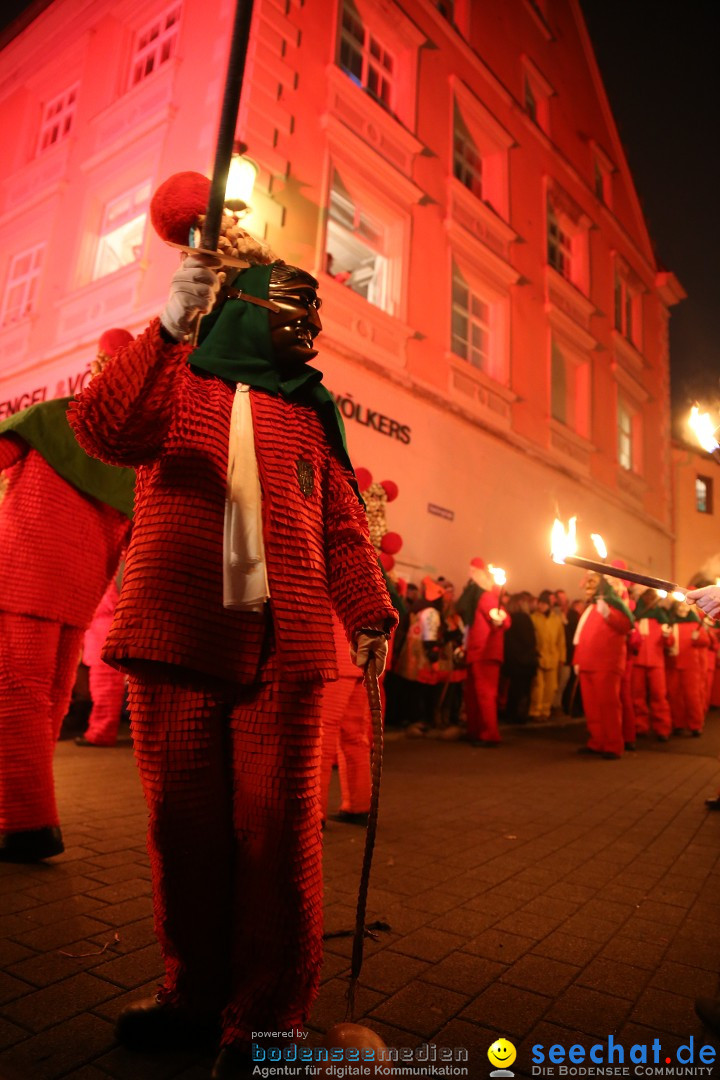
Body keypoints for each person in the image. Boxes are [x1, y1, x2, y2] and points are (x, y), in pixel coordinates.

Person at [70, 209, 396, 1075]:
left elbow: (341, 524)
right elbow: (105, 428)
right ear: (244, 304)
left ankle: (267, 1019)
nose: (311, 327)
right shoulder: (180, 380)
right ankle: (194, 993)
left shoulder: (309, 412)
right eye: (293, 307)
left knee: (279, 833)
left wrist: (367, 612)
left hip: (284, 646)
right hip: (179, 631)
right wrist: (170, 326)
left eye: (315, 314)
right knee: (185, 830)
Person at [0, 329, 134, 861]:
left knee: (16, 694)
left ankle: (28, 823)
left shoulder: (54, 417)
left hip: (23, 574)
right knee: (50, 695)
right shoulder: (129, 454)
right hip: (81, 593)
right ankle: (29, 806)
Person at [573, 572, 633, 759]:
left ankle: (613, 745)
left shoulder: (617, 607)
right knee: (592, 707)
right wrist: (577, 660)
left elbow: (625, 626)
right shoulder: (591, 608)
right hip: (587, 663)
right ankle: (597, 741)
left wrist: (608, 613)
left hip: (607, 664)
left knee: (608, 706)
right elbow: (581, 636)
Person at [318, 614, 371, 826]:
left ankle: (314, 812)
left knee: (322, 733)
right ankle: (358, 806)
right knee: (355, 735)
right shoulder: (372, 579)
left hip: (335, 653)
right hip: (363, 657)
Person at [456, 557, 509, 746]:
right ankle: (476, 730)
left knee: (485, 694)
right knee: (473, 694)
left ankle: (489, 733)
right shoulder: (481, 597)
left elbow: (503, 619)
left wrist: (500, 619)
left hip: (485, 653)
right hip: (477, 651)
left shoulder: (486, 597)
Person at [76, 566, 127, 747]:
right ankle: (100, 730)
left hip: (105, 628)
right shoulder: (117, 565)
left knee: (105, 684)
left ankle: (101, 732)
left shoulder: (109, 569)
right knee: (104, 684)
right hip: (103, 626)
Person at [631, 587, 673, 741]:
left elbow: (669, 642)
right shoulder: (636, 617)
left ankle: (662, 728)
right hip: (638, 662)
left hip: (656, 662)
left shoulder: (660, 617)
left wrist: (667, 636)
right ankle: (640, 726)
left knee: (659, 696)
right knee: (637, 696)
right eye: (647, 596)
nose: (649, 599)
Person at [500, 592, 537, 723]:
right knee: (523, 690)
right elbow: (529, 640)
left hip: (512, 660)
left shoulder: (509, 618)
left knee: (513, 689)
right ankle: (519, 715)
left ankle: (511, 713)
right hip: (524, 662)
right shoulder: (523, 618)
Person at [529, 590, 566, 720]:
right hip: (539, 657)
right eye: (540, 603)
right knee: (538, 686)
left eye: (544, 604)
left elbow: (561, 640)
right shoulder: (533, 618)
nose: (541, 606)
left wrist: (562, 657)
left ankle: (545, 710)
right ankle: (535, 711)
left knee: (551, 686)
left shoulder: (556, 620)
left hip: (553, 657)